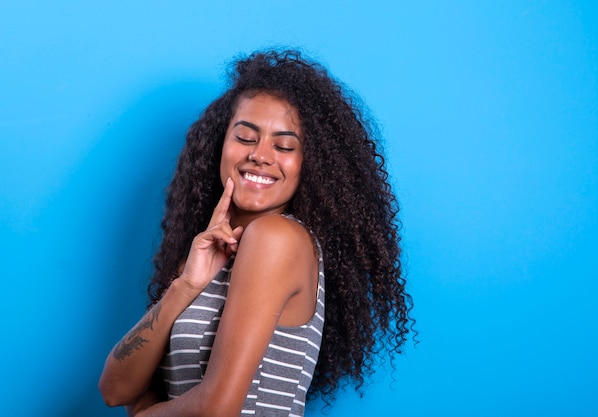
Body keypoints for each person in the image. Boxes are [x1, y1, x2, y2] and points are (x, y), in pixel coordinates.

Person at [99, 49, 414, 417]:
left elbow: (216, 409)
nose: (260, 155)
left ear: (310, 164)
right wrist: (185, 285)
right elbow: (115, 389)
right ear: (221, 144)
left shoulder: (276, 239)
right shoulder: (206, 254)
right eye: (246, 138)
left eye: (283, 146)